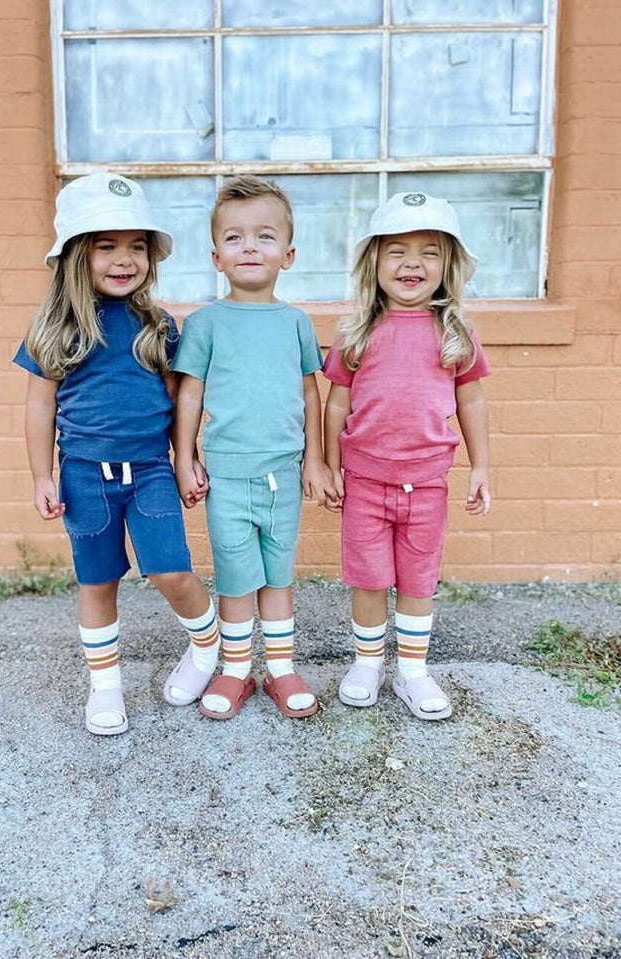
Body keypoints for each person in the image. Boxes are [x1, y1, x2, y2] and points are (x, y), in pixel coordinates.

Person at [13, 172, 220, 736]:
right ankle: (105, 687)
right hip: (83, 475)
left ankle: (208, 649)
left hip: (151, 470)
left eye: (136, 246)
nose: (124, 259)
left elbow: (180, 403)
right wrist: (41, 475)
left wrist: (187, 458)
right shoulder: (54, 329)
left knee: (172, 571)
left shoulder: (158, 326)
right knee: (97, 582)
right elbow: (39, 408)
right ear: (78, 254)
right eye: (106, 246)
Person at [323, 191, 491, 720]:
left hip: (429, 485)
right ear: (373, 262)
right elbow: (336, 403)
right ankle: (368, 663)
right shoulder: (357, 332)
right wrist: (328, 464)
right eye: (396, 250)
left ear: (449, 265)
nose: (412, 263)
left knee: (418, 579)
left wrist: (482, 466)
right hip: (365, 484)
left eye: (429, 252)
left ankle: (412, 672)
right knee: (369, 578)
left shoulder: (455, 333)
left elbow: (471, 399)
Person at [173, 176, 334, 720]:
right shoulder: (204, 324)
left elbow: (310, 391)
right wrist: (184, 456)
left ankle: (281, 669)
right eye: (235, 238)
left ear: (287, 254)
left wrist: (315, 459)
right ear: (216, 256)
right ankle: (237, 670)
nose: (249, 247)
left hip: (283, 473)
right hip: (226, 476)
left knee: (279, 573)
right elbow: (189, 395)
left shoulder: (295, 322)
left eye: (264, 237)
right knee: (237, 575)